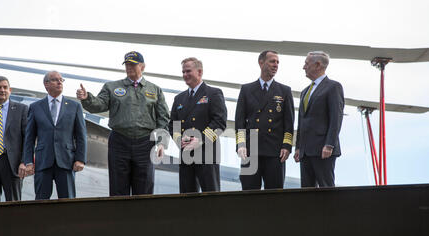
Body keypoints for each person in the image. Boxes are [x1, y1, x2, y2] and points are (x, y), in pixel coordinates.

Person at [76, 51, 169, 196]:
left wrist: (162, 143)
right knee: (118, 186)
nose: (129, 67)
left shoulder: (154, 90)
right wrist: (87, 98)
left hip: (145, 143)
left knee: (144, 186)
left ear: (142, 67)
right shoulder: (112, 87)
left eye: (133, 64)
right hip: (120, 142)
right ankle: (119, 217)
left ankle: (142, 217)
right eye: (127, 64)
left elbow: (163, 118)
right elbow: (98, 105)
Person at [235, 50, 294, 190]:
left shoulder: (284, 91)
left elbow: (289, 122)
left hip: (274, 150)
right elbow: (240, 121)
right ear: (261, 63)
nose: (276, 65)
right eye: (272, 61)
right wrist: (241, 144)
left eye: (278, 62)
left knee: (274, 195)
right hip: (250, 149)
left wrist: (286, 146)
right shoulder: (246, 89)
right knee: (248, 193)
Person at [23, 71, 87, 199]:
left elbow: (81, 135)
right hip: (43, 161)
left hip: (66, 161)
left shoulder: (74, 106)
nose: (59, 82)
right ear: (46, 84)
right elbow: (29, 138)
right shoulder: (35, 107)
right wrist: (28, 161)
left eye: (61, 80)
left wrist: (80, 159)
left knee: (67, 201)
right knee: (41, 201)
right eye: (55, 80)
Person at [169, 57, 227, 193]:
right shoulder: (179, 98)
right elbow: (173, 125)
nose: (185, 75)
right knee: (187, 199)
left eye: (188, 71)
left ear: (199, 72)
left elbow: (219, 122)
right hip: (186, 155)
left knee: (211, 199)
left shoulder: (214, 93)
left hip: (207, 155)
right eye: (183, 72)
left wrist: (200, 140)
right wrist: (179, 139)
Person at [293, 51, 344, 187]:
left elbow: (336, 118)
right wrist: (298, 147)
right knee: (307, 191)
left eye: (306, 64)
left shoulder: (333, 87)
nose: (304, 67)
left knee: (325, 188)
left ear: (317, 65)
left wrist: (329, 145)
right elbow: (301, 121)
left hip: (323, 150)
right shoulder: (305, 91)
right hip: (306, 151)